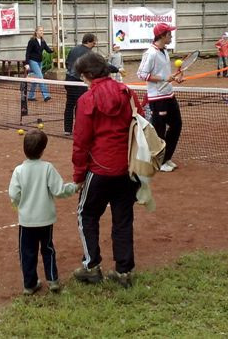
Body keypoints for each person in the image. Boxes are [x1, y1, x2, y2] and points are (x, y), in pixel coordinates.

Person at [72, 52, 141, 289]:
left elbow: (81, 141)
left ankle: (92, 266)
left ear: (89, 75)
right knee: (123, 219)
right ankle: (124, 271)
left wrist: (79, 176)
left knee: (86, 214)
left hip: (99, 169)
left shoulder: (86, 100)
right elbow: (140, 122)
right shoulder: (127, 93)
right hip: (126, 169)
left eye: (82, 76)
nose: (82, 79)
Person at [8, 130, 77, 295]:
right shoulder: (47, 168)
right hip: (45, 219)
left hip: (26, 221)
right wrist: (75, 187)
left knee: (27, 252)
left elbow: (13, 194)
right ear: (42, 150)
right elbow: (59, 190)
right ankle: (53, 280)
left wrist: (18, 205)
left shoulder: (19, 170)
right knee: (48, 249)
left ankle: (30, 284)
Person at [136, 23, 183, 173]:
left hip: (169, 95)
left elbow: (165, 75)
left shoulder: (165, 51)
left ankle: (166, 157)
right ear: (162, 36)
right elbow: (142, 74)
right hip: (157, 98)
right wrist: (164, 78)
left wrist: (175, 78)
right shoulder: (150, 53)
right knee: (159, 130)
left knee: (177, 125)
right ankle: (159, 161)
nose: (171, 36)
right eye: (169, 34)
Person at [63, 33, 125, 135]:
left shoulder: (73, 49)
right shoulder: (89, 54)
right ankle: (79, 129)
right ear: (88, 42)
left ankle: (67, 130)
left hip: (68, 80)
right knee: (80, 106)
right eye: (94, 42)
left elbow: (67, 63)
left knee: (69, 105)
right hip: (79, 83)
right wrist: (117, 69)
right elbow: (104, 65)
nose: (95, 44)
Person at [25, 26, 53, 102]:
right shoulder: (32, 41)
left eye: (42, 31)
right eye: (40, 31)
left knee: (36, 79)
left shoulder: (43, 41)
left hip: (39, 62)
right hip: (32, 61)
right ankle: (46, 95)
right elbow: (28, 52)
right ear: (36, 32)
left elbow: (48, 50)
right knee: (40, 77)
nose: (41, 32)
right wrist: (27, 63)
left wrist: (54, 50)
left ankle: (30, 96)